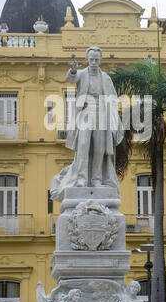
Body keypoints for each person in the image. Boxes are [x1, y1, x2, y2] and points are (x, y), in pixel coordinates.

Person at [50, 46, 123, 201]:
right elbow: (70, 79)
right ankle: (82, 178)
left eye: (97, 59)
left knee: (99, 147)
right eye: (91, 59)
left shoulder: (106, 78)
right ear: (87, 59)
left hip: (101, 112)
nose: (94, 62)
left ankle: (97, 179)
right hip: (85, 112)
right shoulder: (82, 74)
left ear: (100, 60)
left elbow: (113, 97)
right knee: (83, 145)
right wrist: (73, 70)